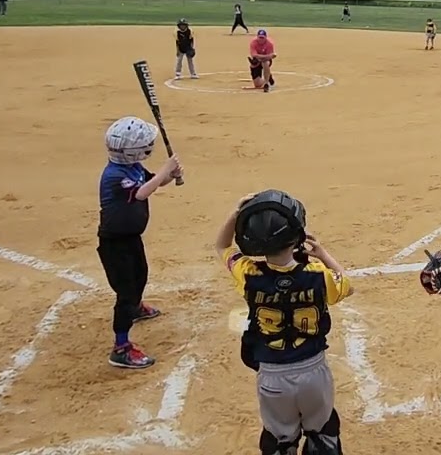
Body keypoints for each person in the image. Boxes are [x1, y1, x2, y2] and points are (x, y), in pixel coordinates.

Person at [213, 189, 352, 455]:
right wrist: (323, 254)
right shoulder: (318, 275)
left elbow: (222, 246)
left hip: (272, 376)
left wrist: (236, 212)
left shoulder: (249, 274)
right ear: (297, 236)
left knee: (279, 439)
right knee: (323, 433)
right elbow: (345, 281)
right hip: (313, 372)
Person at [97, 116, 183, 369]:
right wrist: (166, 171)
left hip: (131, 238)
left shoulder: (132, 167)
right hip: (115, 245)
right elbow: (142, 192)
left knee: (141, 276)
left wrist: (170, 175)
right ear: (133, 149)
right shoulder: (114, 175)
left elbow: (151, 182)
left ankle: (135, 307)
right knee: (125, 292)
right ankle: (121, 348)